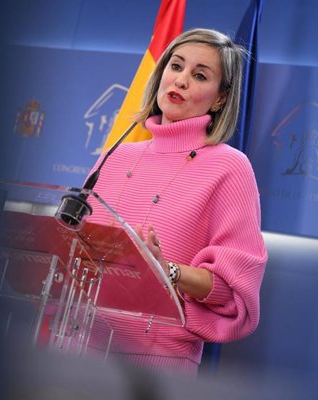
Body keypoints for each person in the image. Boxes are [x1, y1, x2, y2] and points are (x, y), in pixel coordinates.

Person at [86, 28, 267, 376]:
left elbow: (233, 292)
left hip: (155, 369)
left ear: (219, 99)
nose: (181, 80)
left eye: (199, 75)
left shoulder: (230, 167)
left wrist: (165, 269)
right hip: (75, 349)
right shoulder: (116, 156)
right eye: (176, 66)